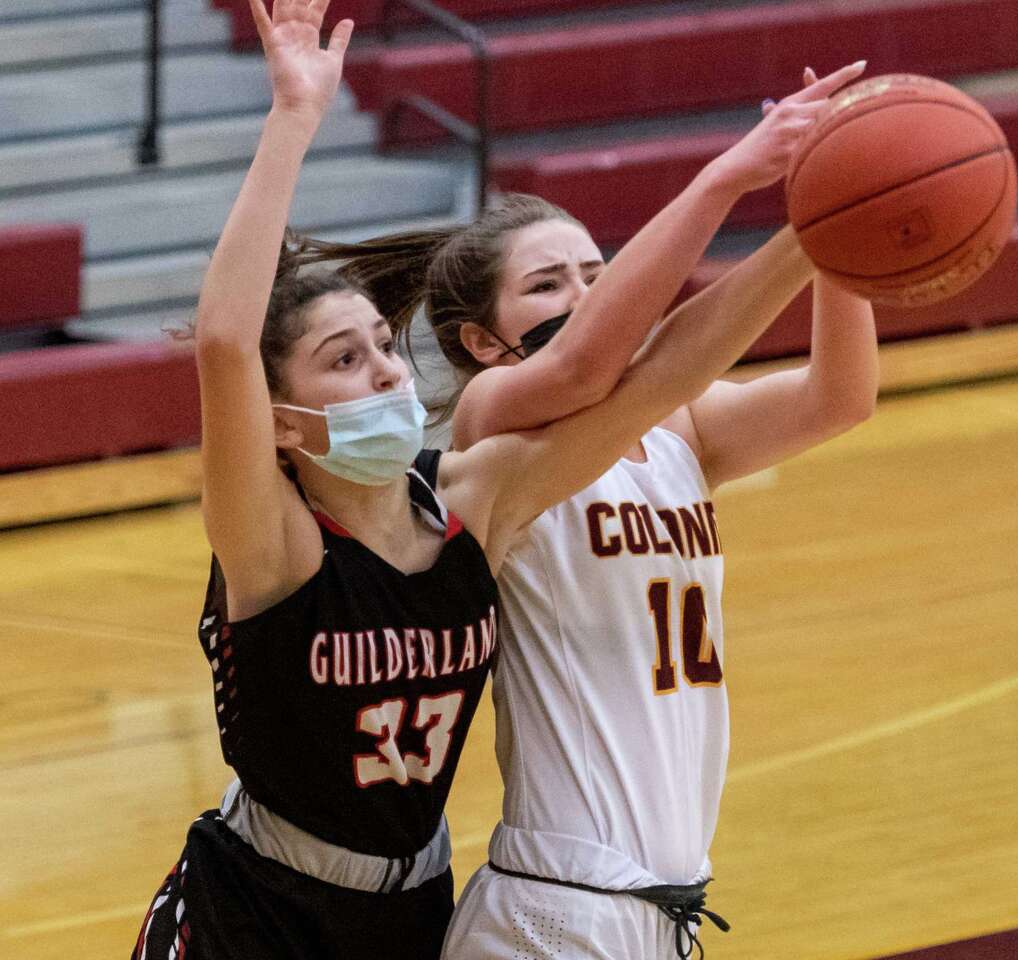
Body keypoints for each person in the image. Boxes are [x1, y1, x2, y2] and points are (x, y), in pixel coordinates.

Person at [131, 1, 844, 958]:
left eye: (384, 346)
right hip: (260, 909)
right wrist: (293, 122)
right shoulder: (275, 546)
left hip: (415, 899)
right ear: (282, 423)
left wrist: (822, 224)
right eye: (343, 360)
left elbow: (660, 374)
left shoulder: (471, 501)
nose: (387, 370)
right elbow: (225, 339)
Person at [314, 65, 877, 960]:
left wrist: (840, 224)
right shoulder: (492, 423)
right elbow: (584, 366)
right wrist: (731, 178)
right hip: (558, 908)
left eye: (595, 273)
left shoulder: (681, 426)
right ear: (483, 342)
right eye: (548, 285)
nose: (583, 298)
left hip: (657, 907)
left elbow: (839, 398)